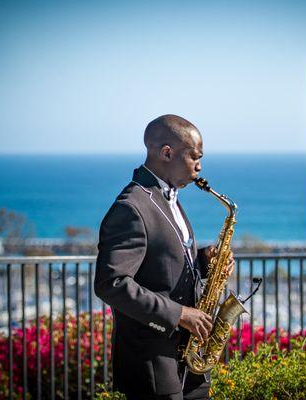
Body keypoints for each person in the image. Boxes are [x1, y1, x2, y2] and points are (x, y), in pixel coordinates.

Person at [94, 114, 234, 400]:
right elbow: (112, 283)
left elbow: (164, 266)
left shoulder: (168, 199)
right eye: (194, 156)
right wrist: (179, 314)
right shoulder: (131, 207)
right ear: (167, 152)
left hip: (189, 362)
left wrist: (208, 263)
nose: (199, 165)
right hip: (155, 366)